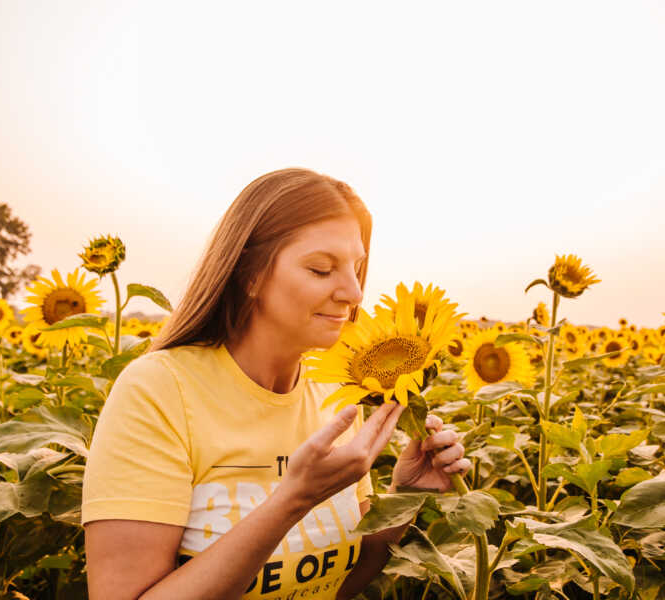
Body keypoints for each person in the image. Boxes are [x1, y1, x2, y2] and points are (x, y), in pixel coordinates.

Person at [81, 168, 471, 600]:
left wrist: (405, 497)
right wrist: (292, 500)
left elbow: (338, 582)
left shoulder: (335, 392)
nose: (353, 292)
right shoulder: (160, 390)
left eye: (356, 268)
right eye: (322, 270)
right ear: (249, 274)